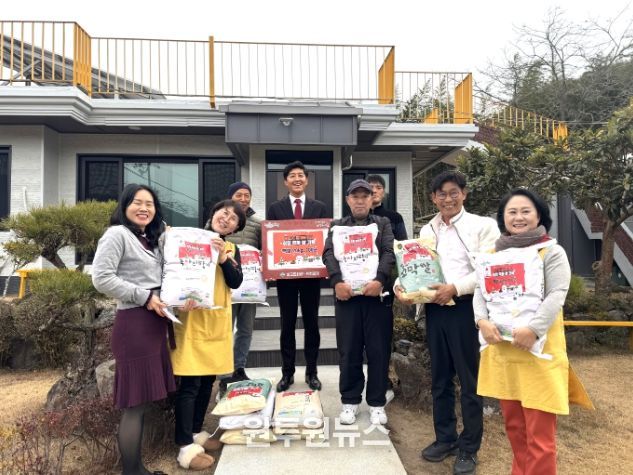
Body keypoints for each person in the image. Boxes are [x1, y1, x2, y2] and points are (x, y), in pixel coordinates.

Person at [474, 189, 593, 475]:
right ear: (503, 218)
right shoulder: (492, 255)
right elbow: (480, 291)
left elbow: (557, 294)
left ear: (539, 215)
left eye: (525, 211)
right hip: (504, 355)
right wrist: (482, 321)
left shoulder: (551, 251)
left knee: (540, 437)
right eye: (512, 212)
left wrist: (534, 330)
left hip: (539, 355)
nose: (519, 217)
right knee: (515, 429)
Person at [394, 170, 500, 475]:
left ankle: (469, 447)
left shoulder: (483, 226)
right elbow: (416, 266)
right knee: (440, 378)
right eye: (441, 194)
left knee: (469, 381)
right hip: (435, 309)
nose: (448, 199)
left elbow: (488, 270)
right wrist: (403, 287)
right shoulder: (428, 228)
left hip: (466, 309)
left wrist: (455, 288)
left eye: (454, 192)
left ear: (464, 194)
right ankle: (445, 438)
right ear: (433, 198)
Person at [92, 183, 176, 475]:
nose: (144, 208)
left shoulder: (150, 239)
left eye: (149, 204)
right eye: (137, 203)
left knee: (141, 403)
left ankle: (138, 468)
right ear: (125, 206)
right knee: (134, 405)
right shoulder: (117, 234)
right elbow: (101, 278)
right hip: (134, 324)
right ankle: (131, 471)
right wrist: (145, 296)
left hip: (154, 324)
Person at [170, 199, 245, 471]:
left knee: (207, 382)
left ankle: (196, 432)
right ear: (213, 214)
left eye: (233, 219)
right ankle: (184, 446)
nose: (226, 219)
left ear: (235, 228)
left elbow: (236, 281)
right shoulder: (188, 239)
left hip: (216, 323)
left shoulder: (232, 249)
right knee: (190, 384)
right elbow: (173, 273)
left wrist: (223, 258)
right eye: (224, 213)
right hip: (191, 321)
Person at [323, 179, 395, 426]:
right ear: (348, 200)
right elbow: (328, 254)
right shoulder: (337, 226)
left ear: (372, 199)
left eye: (365, 196)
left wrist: (380, 279)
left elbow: (389, 252)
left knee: (379, 351)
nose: (360, 200)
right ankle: (350, 401)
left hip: (377, 298)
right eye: (355, 196)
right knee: (349, 350)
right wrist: (336, 282)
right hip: (347, 298)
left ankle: (376, 403)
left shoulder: (382, 223)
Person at [266, 160, 328, 392]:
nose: (297, 179)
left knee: (312, 324)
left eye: (301, 175)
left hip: (311, 277)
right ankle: (287, 373)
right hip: (286, 278)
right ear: (285, 181)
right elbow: (271, 240)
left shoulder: (319, 207)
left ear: (307, 180)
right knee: (287, 325)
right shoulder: (275, 208)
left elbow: (325, 239)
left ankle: (312, 372)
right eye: (292, 175)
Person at [218, 182, 263, 393]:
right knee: (225, 328)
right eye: (239, 195)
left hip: (250, 286)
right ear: (230, 197)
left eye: (247, 195)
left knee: (245, 329)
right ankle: (223, 372)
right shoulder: (219, 220)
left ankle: (239, 368)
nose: (244, 199)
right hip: (226, 283)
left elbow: (266, 250)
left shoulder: (258, 224)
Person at [367, 174, 408, 241]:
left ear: (383, 193)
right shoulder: (357, 217)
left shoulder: (396, 217)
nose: (374, 191)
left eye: (378, 188)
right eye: (371, 187)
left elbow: (403, 243)